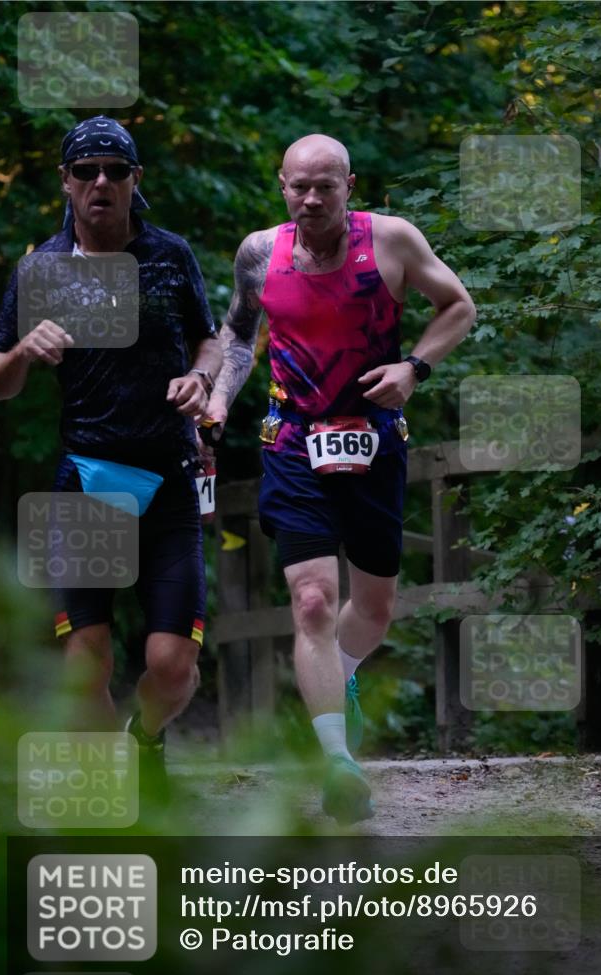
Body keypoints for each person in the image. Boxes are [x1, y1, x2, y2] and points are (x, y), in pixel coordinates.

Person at [206, 133, 476, 824]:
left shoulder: (389, 240)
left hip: (374, 438)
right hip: (293, 441)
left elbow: (457, 306)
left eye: (325, 184)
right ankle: (337, 765)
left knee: (376, 605)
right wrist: (214, 397)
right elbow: (237, 336)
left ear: (350, 184)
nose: (311, 198)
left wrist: (413, 369)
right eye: (299, 185)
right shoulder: (258, 253)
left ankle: (340, 677)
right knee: (313, 604)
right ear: (281, 184)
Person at [0, 116, 222, 803]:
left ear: (133, 182)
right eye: (85, 170)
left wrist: (201, 379)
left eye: (114, 172)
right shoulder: (41, 271)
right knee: (85, 662)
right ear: (65, 181)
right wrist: (22, 352)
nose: (99, 183)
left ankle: (143, 740)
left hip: (169, 482)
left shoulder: (169, 256)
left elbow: (210, 342)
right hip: (87, 483)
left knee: (173, 664)